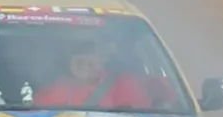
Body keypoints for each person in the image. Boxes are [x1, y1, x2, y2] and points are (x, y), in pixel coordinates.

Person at [30, 38, 168, 110]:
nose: (84, 59)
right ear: (68, 60)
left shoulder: (124, 85)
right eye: (77, 52)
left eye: (90, 52)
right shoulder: (54, 92)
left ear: (103, 57)